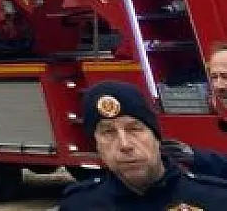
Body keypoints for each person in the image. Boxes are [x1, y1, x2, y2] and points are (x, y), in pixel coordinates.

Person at [60, 81, 227, 211]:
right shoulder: (79, 204)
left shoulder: (215, 199)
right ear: (97, 145)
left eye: (134, 129)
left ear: (156, 138)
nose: (125, 144)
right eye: (108, 132)